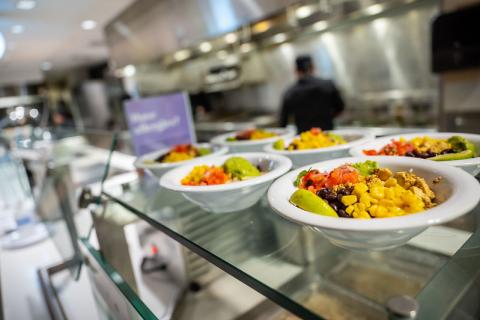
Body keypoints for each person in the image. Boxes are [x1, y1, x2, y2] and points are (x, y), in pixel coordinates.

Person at [279, 55, 344, 132]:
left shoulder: (290, 92)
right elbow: (340, 108)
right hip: (329, 136)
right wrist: (327, 117)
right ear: (313, 67)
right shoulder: (328, 85)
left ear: (296, 71)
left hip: (304, 140)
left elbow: (283, 121)